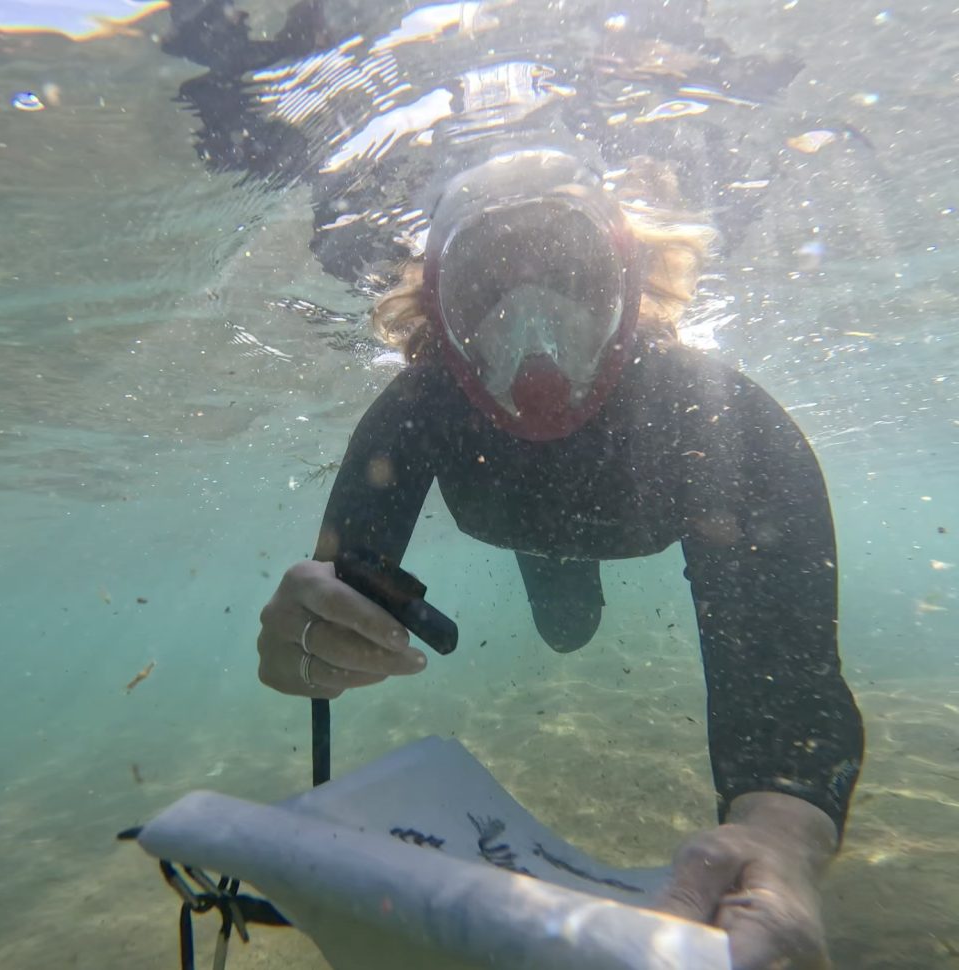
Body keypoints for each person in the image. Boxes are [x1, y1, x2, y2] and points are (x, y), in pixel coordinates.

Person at [255, 147, 864, 970]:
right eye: (488, 289)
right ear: (439, 310)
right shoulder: (417, 407)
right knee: (568, 626)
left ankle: (558, 570)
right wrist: (307, 646)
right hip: (529, 534)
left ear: (629, 282)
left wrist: (778, 844)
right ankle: (557, 570)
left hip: (589, 519)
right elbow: (336, 589)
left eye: (568, 274)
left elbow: (787, 686)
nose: (532, 325)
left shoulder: (724, 419)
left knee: (570, 626)